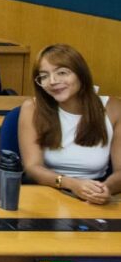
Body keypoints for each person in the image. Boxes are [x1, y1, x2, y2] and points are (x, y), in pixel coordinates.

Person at [19, 44, 120, 204]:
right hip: (48, 192)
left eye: (62, 73)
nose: (52, 81)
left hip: (96, 193)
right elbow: (32, 167)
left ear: (81, 74)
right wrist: (72, 184)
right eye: (44, 76)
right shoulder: (32, 108)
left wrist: (104, 189)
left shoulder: (113, 108)